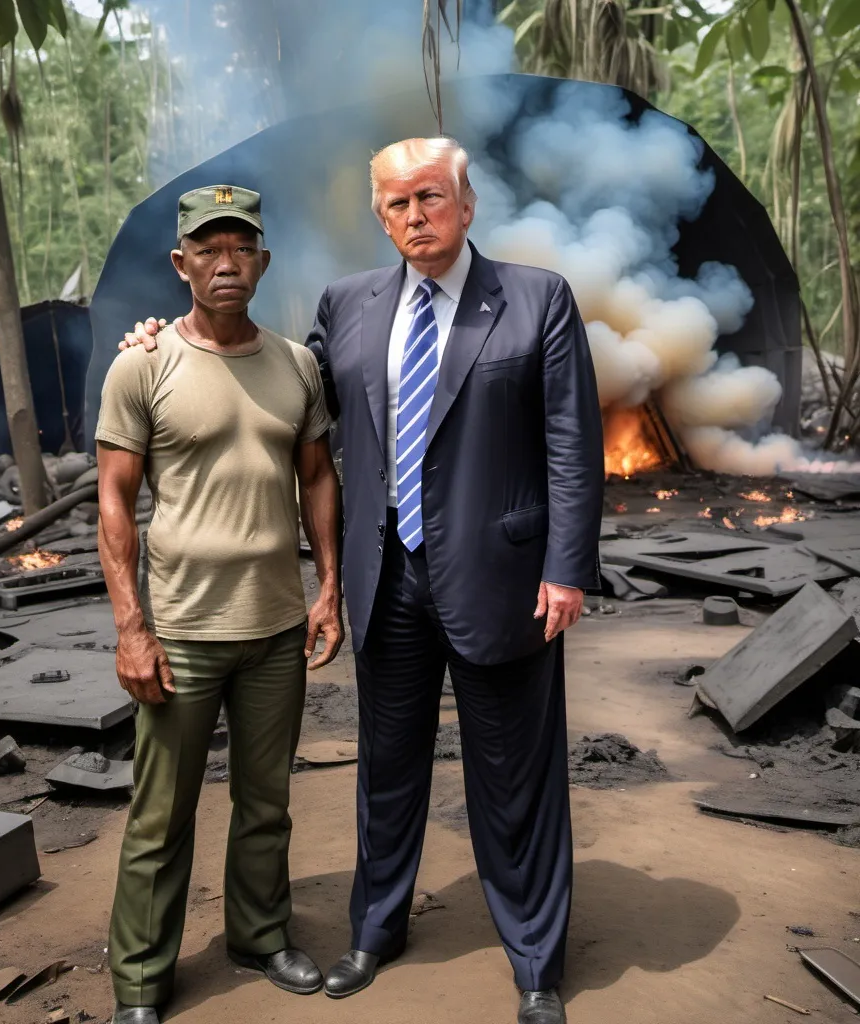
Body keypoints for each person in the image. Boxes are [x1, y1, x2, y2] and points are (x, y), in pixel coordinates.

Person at [123, 137, 604, 1024]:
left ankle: (536, 960)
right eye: (395, 204)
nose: (414, 216)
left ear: (466, 202)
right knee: (387, 772)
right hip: (390, 580)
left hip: (505, 581)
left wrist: (568, 568)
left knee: (516, 777)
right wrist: (165, 340)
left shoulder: (537, 299)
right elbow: (276, 395)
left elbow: (574, 442)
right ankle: (375, 931)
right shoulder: (346, 306)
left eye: (429, 197)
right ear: (378, 215)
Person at [97, 184, 343, 1024]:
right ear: (181, 263)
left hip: (275, 627)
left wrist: (330, 589)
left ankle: (260, 935)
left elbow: (317, 477)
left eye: (241, 247)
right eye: (208, 248)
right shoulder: (144, 364)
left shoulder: (296, 364)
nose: (226, 261)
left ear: (263, 262)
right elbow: (113, 504)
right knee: (160, 815)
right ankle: (139, 979)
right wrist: (132, 628)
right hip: (183, 631)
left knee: (266, 800)